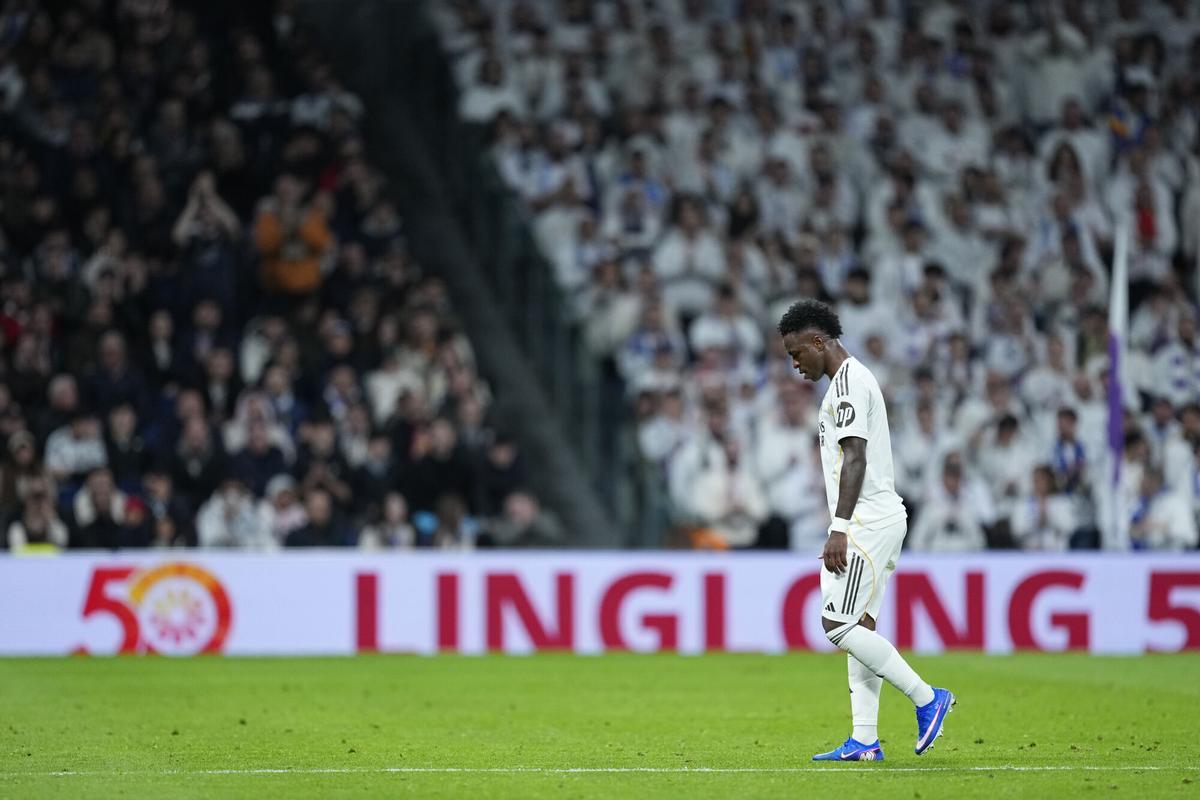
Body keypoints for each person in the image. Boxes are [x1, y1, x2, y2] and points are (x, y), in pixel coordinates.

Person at [778, 299, 954, 762]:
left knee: (836, 625)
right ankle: (864, 740)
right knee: (860, 629)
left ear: (820, 342)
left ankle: (926, 698)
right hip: (876, 517)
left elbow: (854, 454)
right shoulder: (844, 383)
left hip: (866, 521)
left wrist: (838, 527)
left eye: (797, 353)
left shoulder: (849, 384)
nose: (795, 363)